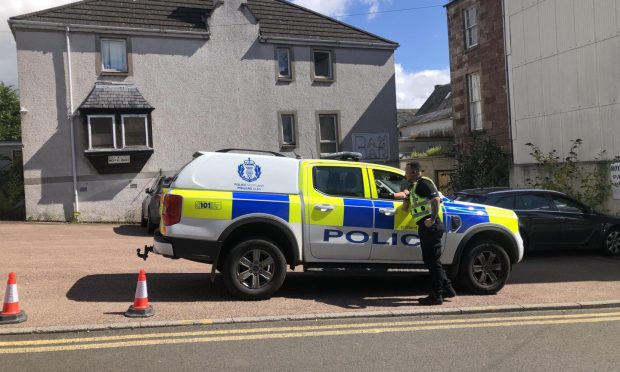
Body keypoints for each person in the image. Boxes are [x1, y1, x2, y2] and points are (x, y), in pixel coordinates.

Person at [394, 161, 456, 305]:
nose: (405, 174)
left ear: (415, 172)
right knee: (432, 260)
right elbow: (405, 208)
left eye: (407, 171)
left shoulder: (423, 183)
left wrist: (432, 218)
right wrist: (404, 196)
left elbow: (436, 199)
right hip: (426, 226)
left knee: (432, 261)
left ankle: (437, 295)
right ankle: (447, 288)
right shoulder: (415, 186)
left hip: (430, 226)